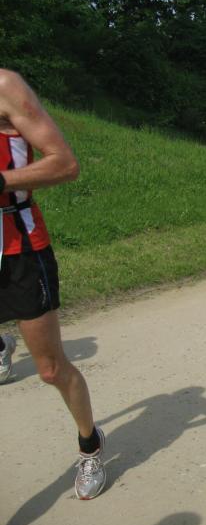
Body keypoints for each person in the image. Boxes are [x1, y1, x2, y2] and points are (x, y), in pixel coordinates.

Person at [0, 69, 106, 499]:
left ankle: (90, 444)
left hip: (17, 246)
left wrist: (2, 181)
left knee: (50, 369)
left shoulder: (6, 87)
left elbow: (65, 163)